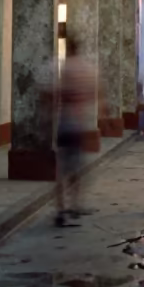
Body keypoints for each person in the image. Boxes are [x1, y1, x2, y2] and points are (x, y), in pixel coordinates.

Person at [55, 35, 98, 227]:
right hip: (78, 124)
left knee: (64, 168)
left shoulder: (64, 68)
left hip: (64, 122)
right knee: (75, 169)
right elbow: (93, 93)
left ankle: (64, 208)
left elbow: (58, 94)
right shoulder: (84, 68)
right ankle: (71, 205)